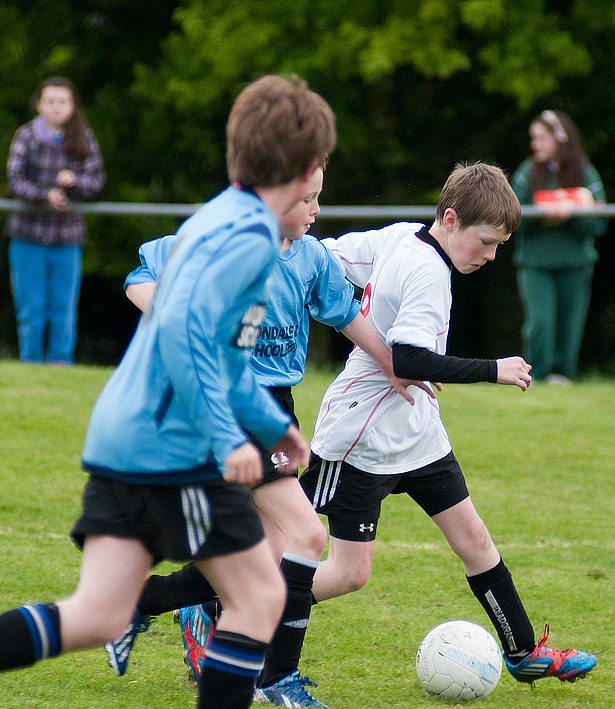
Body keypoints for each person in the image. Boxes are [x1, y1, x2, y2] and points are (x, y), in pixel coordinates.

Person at [0, 74, 336, 709]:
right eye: (315, 187)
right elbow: (185, 337)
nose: (318, 200)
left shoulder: (218, 218)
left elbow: (226, 353)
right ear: (297, 171)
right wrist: (223, 438)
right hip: (171, 446)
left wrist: (271, 428)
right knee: (260, 596)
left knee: (99, 614)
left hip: (121, 434)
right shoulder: (251, 240)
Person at [106, 163, 430, 708]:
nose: (317, 211)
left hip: (277, 411)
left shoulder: (309, 258)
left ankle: (141, 603)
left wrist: (394, 365)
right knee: (307, 537)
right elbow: (142, 274)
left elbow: (348, 314)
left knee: (266, 559)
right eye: (309, 201)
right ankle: (277, 678)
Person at [299, 162, 597, 686]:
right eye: (485, 242)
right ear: (452, 219)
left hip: (418, 434)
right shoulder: (429, 271)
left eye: (499, 246)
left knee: (474, 540)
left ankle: (523, 652)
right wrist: (493, 370)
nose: (490, 255)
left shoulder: (401, 238)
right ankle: (225, 610)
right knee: (342, 571)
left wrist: (366, 321)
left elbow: (324, 256)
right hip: (359, 439)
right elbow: (410, 360)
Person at [5, 76, 106, 366]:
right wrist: (44, 194)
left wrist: (76, 181)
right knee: (31, 309)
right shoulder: (26, 136)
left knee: (63, 308)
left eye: (62, 101)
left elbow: (97, 180)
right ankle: (31, 366)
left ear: (72, 106)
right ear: (39, 105)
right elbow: (14, 181)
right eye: (50, 101)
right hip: (27, 236)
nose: (56, 107)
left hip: (68, 237)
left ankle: (62, 366)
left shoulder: (84, 137)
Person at [510, 109, 607, 386]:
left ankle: (563, 377)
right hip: (535, 264)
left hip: (575, 263)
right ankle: (536, 377)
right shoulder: (527, 172)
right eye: (534, 138)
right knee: (540, 322)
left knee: (570, 326)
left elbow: (598, 224)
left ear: (560, 139)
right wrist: (542, 214)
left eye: (541, 138)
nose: (535, 144)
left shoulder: (585, 172)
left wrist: (572, 215)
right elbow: (511, 217)